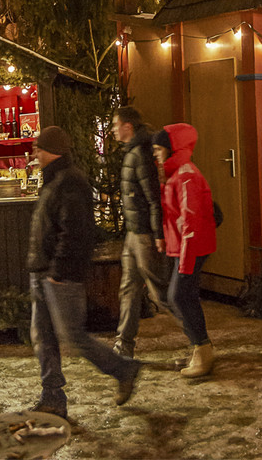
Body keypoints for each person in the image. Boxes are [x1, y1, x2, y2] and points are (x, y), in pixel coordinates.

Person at [26, 125, 142, 418]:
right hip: (43, 272)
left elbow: (75, 232)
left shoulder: (70, 182)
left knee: (73, 337)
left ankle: (123, 368)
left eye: (38, 148)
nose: (34, 154)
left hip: (58, 275)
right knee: (44, 338)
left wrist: (58, 271)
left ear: (50, 150)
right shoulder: (55, 179)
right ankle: (52, 397)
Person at [110, 106, 179, 361]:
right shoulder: (133, 152)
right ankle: (123, 344)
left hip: (143, 235)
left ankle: (198, 338)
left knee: (159, 292)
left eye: (116, 124)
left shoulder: (139, 154)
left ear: (128, 126)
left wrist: (157, 233)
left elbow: (152, 198)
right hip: (133, 232)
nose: (114, 129)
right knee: (128, 288)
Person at [158, 123, 218, 379]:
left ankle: (203, 350)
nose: (155, 154)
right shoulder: (174, 173)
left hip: (191, 247)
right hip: (181, 246)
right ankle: (200, 348)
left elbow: (190, 223)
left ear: (172, 149)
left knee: (179, 295)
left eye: (159, 149)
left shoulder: (185, 176)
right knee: (183, 296)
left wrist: (185, 260)